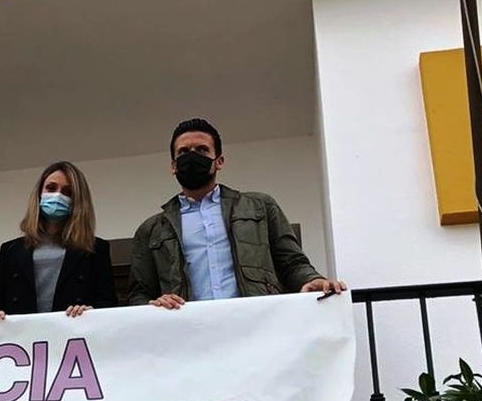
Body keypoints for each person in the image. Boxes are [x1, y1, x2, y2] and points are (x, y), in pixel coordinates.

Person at [128, 118, 346, 309]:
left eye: (202, 150)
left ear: (219, 161)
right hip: (189, 334)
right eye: (184, 152)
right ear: (173, 166)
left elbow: (292, 263)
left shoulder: (260, 207)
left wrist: (312, 279)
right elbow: (139, 293)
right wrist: (153, 305)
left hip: (254, 326)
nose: (192, 157)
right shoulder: (152, 229)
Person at [0, 160, 117, 321]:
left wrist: (91, 312)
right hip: (22, 339)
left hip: (73, 335)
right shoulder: (11, 250)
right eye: (51, 188)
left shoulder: (96, 248)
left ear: (78, 201)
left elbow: (108, 303)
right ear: (39, 193)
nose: (58, 196)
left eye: (68, 192)